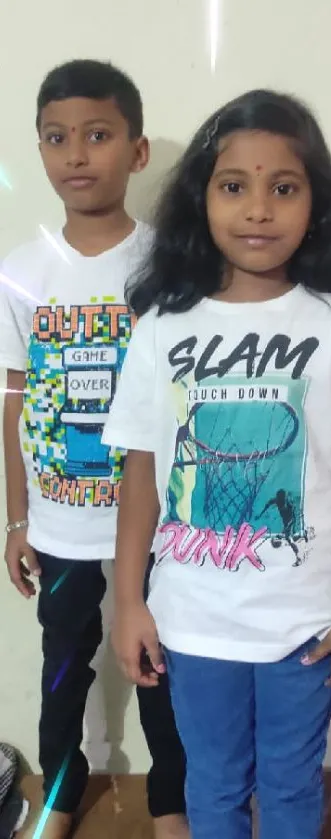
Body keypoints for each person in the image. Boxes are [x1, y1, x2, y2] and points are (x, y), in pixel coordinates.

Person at [103, 87, 331, 839]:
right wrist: (128, 602)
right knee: (212, 781)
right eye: (234, 186)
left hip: (305, 621)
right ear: (201, 198)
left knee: (291, 783)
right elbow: (140, 475)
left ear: (315, 204)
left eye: (283, 187)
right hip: (192, 619)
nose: (258, 209)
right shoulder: (161, 330)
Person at [0, 59, 187, 839]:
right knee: (63, 664)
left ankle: (171, 798)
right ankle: (58, 786)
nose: (76, 155)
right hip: (61, 519)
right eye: (56, 138)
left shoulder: (167, 268)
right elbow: (10, 403)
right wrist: (16, 521)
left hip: (156, 517)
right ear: (39, 150)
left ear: (137, 151)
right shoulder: (20, 273)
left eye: (98, 135)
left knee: (162, 663)